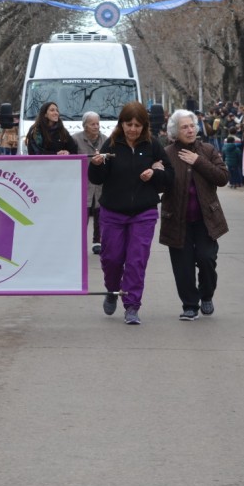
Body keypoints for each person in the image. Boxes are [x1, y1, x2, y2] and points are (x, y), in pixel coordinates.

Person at [88, 102, 174, 324]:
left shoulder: (153, 145)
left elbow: (169, 176)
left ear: (144, 126)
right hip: (113, 212)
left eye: (137, 125)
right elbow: (97, 178)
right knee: (111, 258)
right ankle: (112, 290)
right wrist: (96, 165)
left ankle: (132, 305)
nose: (133, 129)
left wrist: (154, 174)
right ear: (122, 124)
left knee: (136, 260)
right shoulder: (111, 145)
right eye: (129, 124)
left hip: (143, 213)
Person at [159, 110, 229, 321]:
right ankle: (189, 305)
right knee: (183, 266)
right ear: (175, 131)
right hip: (176, 220)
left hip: (205, 220)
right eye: (184, 127)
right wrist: (156, 173)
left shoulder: (207, 150)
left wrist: (198, 161)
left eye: (192, 126)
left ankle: (206, 295)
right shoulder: (166, 153)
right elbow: (159, 186)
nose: (190, 130)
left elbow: (222, 177)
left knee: (206, 259)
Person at [72, 111, 106, 254]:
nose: (96, 126)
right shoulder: (75, 139)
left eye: (97, 123)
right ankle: (79, 242)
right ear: (85, 125)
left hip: (99, 182)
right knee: (83, 214)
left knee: (100, 212)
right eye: (92, 124)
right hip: (82, 182)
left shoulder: (105, 140)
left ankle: (97, 241)